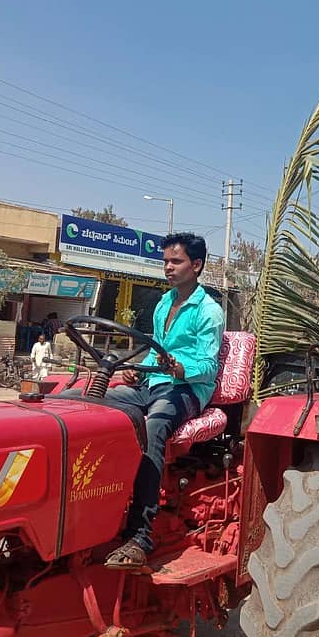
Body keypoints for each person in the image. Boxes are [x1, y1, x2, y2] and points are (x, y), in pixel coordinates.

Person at [102, 233, 225, 569]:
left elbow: (209, 365)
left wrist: (180, 367)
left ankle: (140, 534)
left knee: (153, 425)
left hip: (187, 390)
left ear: (196, 265)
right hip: (154, 383)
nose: (168, 267)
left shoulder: (209, 311)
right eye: (166, 261)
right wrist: (137, 371)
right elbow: (155, 347)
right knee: (95, 407)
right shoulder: (162, 304)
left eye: (176, 261)